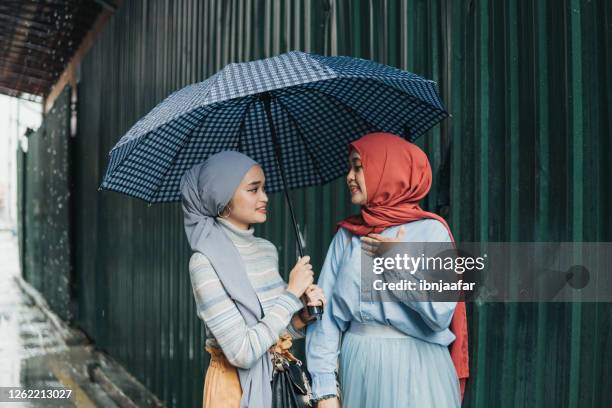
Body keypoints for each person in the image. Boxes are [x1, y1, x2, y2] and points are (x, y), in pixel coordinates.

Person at [306, 132, 469, 408]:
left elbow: (440, 314)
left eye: (358, 166)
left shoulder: (431, 231)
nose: (349, 176)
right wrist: (324, 391)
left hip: (417, 368)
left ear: (387, 169)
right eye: (350, 167)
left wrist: (395, 264)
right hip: (358, 365)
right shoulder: (347, 236)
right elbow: (327, 318)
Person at [180, 150, 326, 408]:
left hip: (277, 384)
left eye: (264, 188)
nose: (265, 197)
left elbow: (274, 331)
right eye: (253, 189)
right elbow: (243, 352)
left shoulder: (266, 249)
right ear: (223, 200)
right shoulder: (204, 262)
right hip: (233, 391)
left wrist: (301, 316)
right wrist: (290, 295)